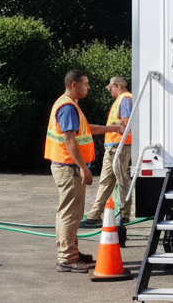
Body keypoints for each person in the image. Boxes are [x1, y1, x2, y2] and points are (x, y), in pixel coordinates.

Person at [44, 70, 120, 273]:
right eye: (86, 84)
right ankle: (67, 258)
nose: (88, 87)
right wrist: (83, 168)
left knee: (71, 212)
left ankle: (71, 253)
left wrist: (111, 128)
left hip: (66, 166)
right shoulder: (68, 107)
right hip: (69, 167)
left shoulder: (68, 104)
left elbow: (85, 130)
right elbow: (69, 140)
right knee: (70, 213)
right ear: (75, 84)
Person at [82, 77, 133, 232]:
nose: (109, 90)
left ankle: (122, 216)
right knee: (107, 181)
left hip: (120, 146)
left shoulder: (125, 99)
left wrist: (116, 127)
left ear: (117, 85)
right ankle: (95, 215)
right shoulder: (123, 100)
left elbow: (126, 122)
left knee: (121, 181)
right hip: (115, 146)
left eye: (111, 88)